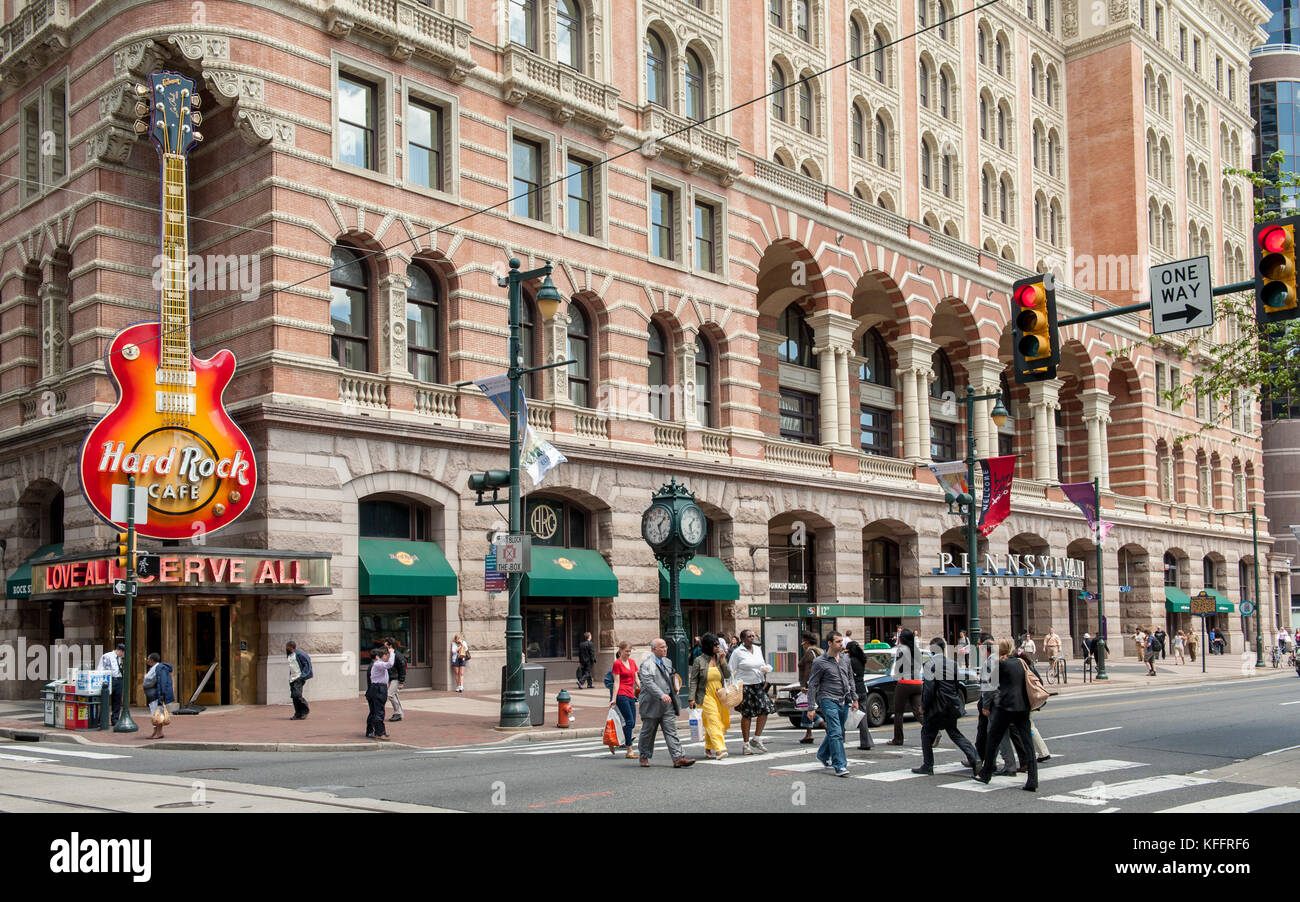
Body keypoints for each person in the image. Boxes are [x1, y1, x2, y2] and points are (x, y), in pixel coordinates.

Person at [975, 639, 1040, 791]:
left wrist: (986, 704)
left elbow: (990, 687)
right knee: (1028, 744)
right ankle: (1033, 780)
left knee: (992, 739)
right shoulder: (1022, 662)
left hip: (1005, 707)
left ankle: (986, 773)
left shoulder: (1001, 665)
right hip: (1022, 707)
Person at [912, 638, 980, 777]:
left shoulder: (929, 664)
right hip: (951, 704)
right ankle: (975, 758)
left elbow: (929, 689)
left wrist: (923, 706)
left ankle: (928, 765)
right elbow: (956, 684)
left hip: (937, 706)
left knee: (926, 733)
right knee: (954, 733)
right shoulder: (953, 663)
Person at [806, 631, 858, 777]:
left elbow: (850, 679)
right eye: (838, 642)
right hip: (828, 700)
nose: (841, 644)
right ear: (829, 643)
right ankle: (840, 765)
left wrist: (854, 698)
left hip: (844, 700)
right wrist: (811, 707)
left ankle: (823, 754)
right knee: (835, 732)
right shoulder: (819, 662)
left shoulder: (845, 659)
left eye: (842, 641)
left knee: (839, 731)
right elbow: (813, 685)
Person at [637, 638, 694, 768]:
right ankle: (644, 756)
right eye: (662, 647)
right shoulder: (647, 664)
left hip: (667, 704)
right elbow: (648, 683)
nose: (665, 649)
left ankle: (678, 757)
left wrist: (676, 686)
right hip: (651, 704)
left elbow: (672, 676)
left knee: (671, 731)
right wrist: (661, 694)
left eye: (666, 646)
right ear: (654, 649)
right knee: (648, 732)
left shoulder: (667, 662)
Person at [974, 636, 1020, 777]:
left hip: (994, 703)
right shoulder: (998, 660)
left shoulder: (990, 662)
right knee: (993, 735)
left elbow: (989, 686)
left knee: (998, 735)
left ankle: (1008, 765)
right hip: (1001, 702)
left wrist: (986, 705)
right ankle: (991, 764)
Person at [730, 629, 775, 754]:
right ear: (743, 639)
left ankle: (756, 738)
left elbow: (761, 664)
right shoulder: (738, 652)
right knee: (747, 714)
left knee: (765, 709)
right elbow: (730, 669)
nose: (752, 638)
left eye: (753, 636)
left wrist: (765, 670)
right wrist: (732, 686)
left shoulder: (757, 649)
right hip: (744, 685)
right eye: (749, 636)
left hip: (758, 684)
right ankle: (745, 744)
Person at [688, 633, 732, 759]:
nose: (718, 647)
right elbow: (694, 680)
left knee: (715, 721)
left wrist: (723, 661)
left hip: (719, 695)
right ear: (708, 646)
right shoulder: (699, 661)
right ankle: (720, 749)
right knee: (713, 720)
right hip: (705, 695)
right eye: (715, 645)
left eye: (718, 644)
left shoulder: (719, 658)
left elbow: (728, 675)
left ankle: (708, 748)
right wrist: (691, 698)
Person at [888, 628, 923, 746]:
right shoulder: (917, 650)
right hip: (918, 682)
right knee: (918, 711)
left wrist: (897, 677)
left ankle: (898, 739)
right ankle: (934, 732)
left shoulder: (901, 649)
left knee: (898, 712)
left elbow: (898, 666)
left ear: (901, 638)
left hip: (905, 682)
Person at [609, 641, 639, 757]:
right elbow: (616, 682)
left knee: (632, 724)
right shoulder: (617, 663)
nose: (628, 654)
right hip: (622, 694)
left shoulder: (632, 662)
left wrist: (642, 689)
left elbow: (636, 678)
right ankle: (629, 750)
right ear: (620, 650)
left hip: (631, 694)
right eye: (626, 651)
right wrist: (614, 699)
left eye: (630, 651)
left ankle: (615, 738)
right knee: (629, 721)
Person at [797, 631, 824, 744]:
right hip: (816, 684)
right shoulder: (818, 652)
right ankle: (809, 734)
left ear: (806, 642)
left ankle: (825, 726)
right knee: (807, 708)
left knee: (808, 708)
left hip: (811, 685)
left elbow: (808, 670)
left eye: (803, 642)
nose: (802, 645)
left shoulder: (810, 653)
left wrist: (804, 685)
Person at [142, 653, 174, 740]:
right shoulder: (154, 668)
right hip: (153, 695)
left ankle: (158, 732)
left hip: (156, 694)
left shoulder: (159, 668)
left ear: (152, 660)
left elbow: (162, 682)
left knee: (157, 713)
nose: (147, 660)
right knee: (155, 713)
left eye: (148, 659)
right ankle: (156, 732)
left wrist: (162, 694)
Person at [366, 646, 395, 740]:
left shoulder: (380, 664)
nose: (388, 657)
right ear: (384, 655)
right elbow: (390, 664)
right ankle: (378, 733)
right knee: (379, 712)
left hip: (380, 688)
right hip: (377, 688)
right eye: (387, 655)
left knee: (379, 711)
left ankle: (380, 731)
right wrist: (392, 653)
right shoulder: (378, 664)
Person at [285, 640, 313, 720]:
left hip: (299, 677)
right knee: (294, 697)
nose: (286, 648)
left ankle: (305, 711)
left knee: (297, 695)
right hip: (292, 678)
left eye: (287, 647)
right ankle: (297, 713)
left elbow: (307, 664)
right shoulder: (289, 655)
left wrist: (302, 676)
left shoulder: (300, 654)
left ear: (291, 647)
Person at [98, 644, 125, 726]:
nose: (123, 655)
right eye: (123, 653)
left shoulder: (119, 658)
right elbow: (100, 668)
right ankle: (101, 719)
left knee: (117, 700)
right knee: (105, 700)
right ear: (120, 650)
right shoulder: (107, 656)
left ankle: (115, 720)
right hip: (109, 679)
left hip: (119, 679)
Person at [383, 638, 406, 721]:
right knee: (394, 695)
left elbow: (402, 668)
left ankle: (398, 713)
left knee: (390, 694)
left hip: (396, 678)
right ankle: (399, 713)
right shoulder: (389, 654)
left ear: (390, 646)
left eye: (385, 645)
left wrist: (401, 682)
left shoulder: (397, 655)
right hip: (391, 678)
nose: (384, 647)